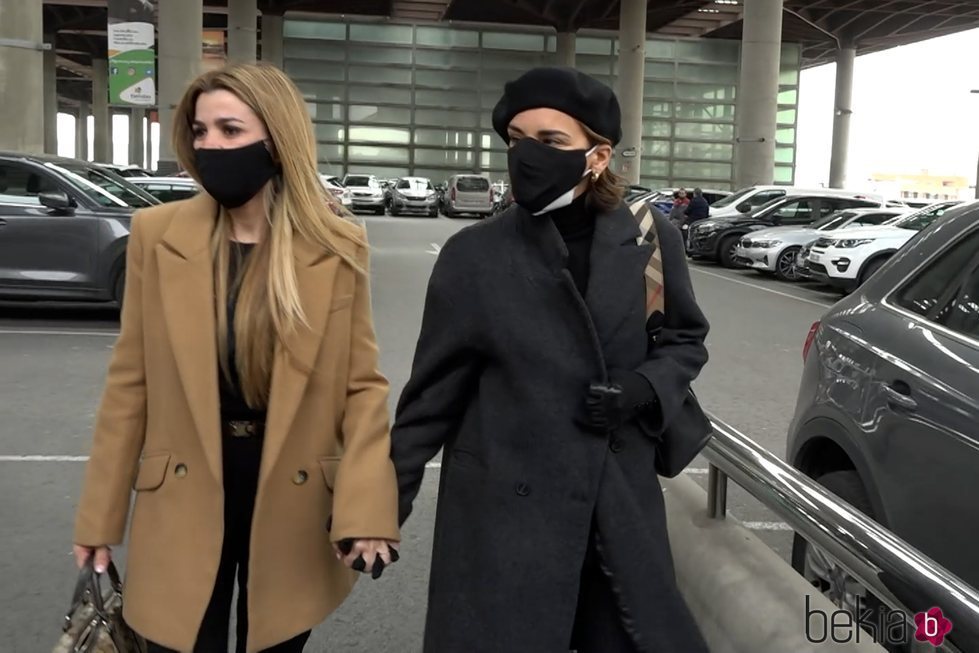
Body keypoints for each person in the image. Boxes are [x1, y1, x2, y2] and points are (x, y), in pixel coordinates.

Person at [71, 62, 400, 653]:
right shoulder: (157, 234)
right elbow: (130, 385)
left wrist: (367, 507)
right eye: (200, 132)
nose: (209, 146)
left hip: (291, 492)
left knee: (271, 640)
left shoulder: (335, 243)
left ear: (276, 139)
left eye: (229, 130)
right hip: (184, 488)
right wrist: (99, 517)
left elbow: (361, 386)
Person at [391, 67, 710, 653]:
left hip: (614, 503)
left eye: (552, 142)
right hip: (503, 515)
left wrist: (643, 388)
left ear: (598, 155)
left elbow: (685, 338)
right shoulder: (474, 255)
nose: (527, 156)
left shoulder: (648, 238)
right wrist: (384, 504)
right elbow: (431, 397)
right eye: (516, 140)